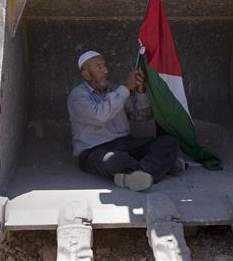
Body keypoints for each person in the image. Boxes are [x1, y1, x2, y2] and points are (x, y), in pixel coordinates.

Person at [67, 51, 185, 192]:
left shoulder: (115, 90)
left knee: (169, 141)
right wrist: (126, 88)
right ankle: (161, 166)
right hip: (94, 150)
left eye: (105, 65)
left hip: (126, 144)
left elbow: (140, 116)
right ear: (86, 74)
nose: (105, 70)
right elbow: (100, 116)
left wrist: (141, 91)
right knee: (114, 160)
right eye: (99, 67)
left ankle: (137, 174)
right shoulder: (77, 96)